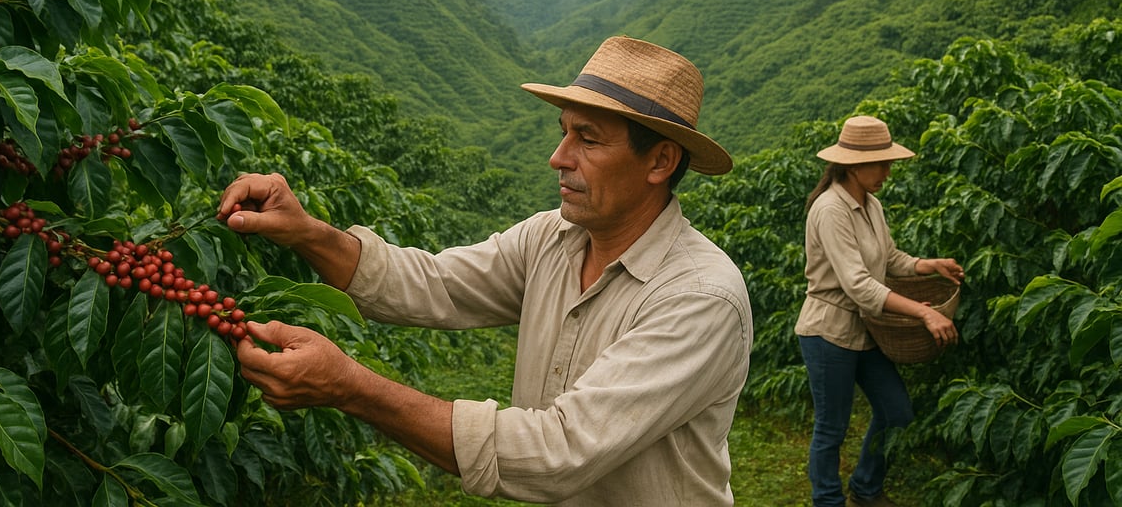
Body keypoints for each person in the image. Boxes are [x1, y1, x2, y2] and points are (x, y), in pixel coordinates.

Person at [217, 36, 753, 506]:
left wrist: (351, 386)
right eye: (564, 133)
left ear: (660, 162)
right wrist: (307, 231)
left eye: (588, 140)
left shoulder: (699, 298)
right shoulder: (552, 238)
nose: (559, 157)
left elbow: (557, 453)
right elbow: (434, 285)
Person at [794, 115, 964, 507]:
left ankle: (866, 487)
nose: (888, 171)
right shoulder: (830, 209)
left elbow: (889, 259)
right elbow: (858, 284)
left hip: (867, 330)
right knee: (831, 428)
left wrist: (928, 264)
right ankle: (829, 501)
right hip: (828, 332)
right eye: (882, 163)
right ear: (853, 164)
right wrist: (923, 313)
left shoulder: (871, 205)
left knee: (897, 411)